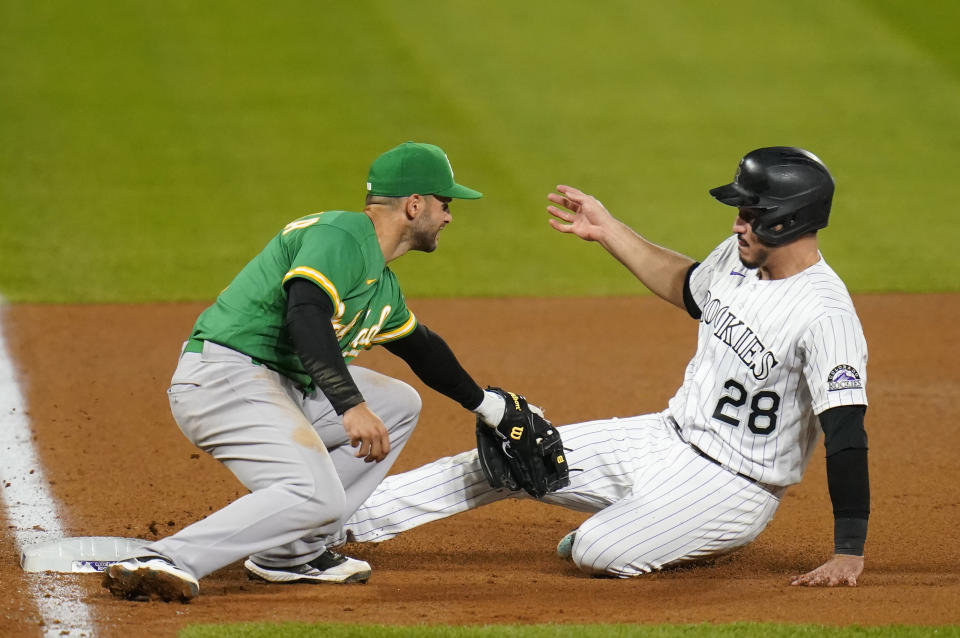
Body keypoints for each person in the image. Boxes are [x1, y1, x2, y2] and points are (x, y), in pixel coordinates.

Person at [341, 147, 870, 587]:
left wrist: (848, 549)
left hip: (734, 486)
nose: (737, 224)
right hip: (662, 439)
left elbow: (845, 434)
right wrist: (610, 230)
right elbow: (688, 287)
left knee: (594, 550)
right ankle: (331, 526)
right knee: (511, 456)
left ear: (790, 217)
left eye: (749, 214)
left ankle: (667, 532)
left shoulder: (825, 315)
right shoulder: (738, 257)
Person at [103, 141, 520, 602]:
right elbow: (305, 312)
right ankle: (165, 559)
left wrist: (490, 407)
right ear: (414, 204)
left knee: (400, 403)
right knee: (316, 494)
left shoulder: (380, 282)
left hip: (280, 386)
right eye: (446, 204)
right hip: (226, 377)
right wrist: (350, 404)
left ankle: (291, 553)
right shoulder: (340, 234)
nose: (449, 216)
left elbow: (421, 348)